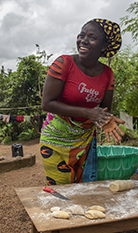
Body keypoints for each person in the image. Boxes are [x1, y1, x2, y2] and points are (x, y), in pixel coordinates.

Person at [40, 18, 125, 186]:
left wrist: (105, 119)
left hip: (85, 140)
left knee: (82, 189)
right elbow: (47, 104)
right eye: (81, 35)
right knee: (63, 189)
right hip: (56, 139)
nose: (83, 41)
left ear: (103, 47)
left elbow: (104, 109)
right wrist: (88, 113)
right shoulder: (64, 63)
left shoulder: (107, 74)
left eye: (92, 38)